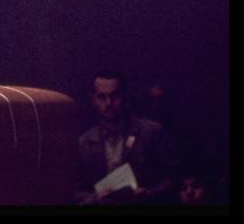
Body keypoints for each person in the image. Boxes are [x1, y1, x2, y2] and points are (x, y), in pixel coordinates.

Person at [75, 70, 179, 205]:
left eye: (115, 96)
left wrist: (149, 193)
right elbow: (78, 190)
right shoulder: (86, 141)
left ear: (125, 96)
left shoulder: (151, 132)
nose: (109, 103)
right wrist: (95, 199)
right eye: (102, 97)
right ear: (93, 100)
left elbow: (173, 177)